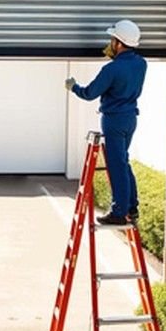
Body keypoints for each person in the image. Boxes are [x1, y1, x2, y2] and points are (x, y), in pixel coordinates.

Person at [65, 20, 146, 225]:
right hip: (130, 119)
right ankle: (132, 207)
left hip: (114, 120)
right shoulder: (141, 64)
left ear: (118, 43)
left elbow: (90, 93)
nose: (110, 44)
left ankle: (119, 212)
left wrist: (74, 87)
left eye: (112, 40)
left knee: (116, 166)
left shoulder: (111, 69)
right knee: (123, 161)